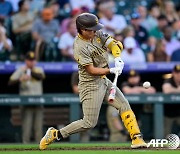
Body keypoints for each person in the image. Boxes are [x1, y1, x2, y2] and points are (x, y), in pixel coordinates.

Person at [39, 13, 147, 150]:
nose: (95, 31)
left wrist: (118, 57)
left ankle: (136, 138)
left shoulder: (96, 33)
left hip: (104, 80)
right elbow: (91, 70)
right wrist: (111, 71)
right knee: (89, 122)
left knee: (124, 105)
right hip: (90, 84)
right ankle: (55, 134)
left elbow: (114, 43)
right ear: (82, 29)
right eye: (91, 29)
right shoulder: (79, 46)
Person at [8, 52, 45, 143]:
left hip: (38, 101)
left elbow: (41, 77)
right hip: (26, 102)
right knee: (26, 127)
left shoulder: (38, 69)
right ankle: (25, 147)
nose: (31, 62)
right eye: (29, 60)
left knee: (38, 128)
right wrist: (20, 79)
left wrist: (30, 72)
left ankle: (40, 147)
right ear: (26, 61)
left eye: (33, 60)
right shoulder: (21, 70)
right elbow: (10, 82)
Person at [162, 64, 180, 136]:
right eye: (177, 72)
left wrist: (174, 90)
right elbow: (166, 90)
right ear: (173, 73)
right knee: (165, 135)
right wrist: (177, 90)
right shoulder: (169, 80)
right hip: (168, 113)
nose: (179, 74)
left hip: (179, 113)